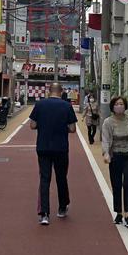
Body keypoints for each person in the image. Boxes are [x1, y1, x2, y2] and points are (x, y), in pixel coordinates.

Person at [29, 81, 77, 225]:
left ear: (49, 91)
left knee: (44, 179)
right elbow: (73, 128)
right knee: (61, 177)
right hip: (61, 147)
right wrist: (62, 129)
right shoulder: (67, 106)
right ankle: (62, 207)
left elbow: (32, 125)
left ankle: (44, 213)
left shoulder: (40, 105)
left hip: (43, 146)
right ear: (61, 91)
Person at [101, 95, 128, 229]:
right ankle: (118, 212)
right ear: (112, 106)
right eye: (117, 104)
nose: (119, 106)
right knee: (116, 184)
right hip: (115, 155)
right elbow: (105, 139)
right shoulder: (108, 122)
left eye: (121, 104)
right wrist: (106, 153)